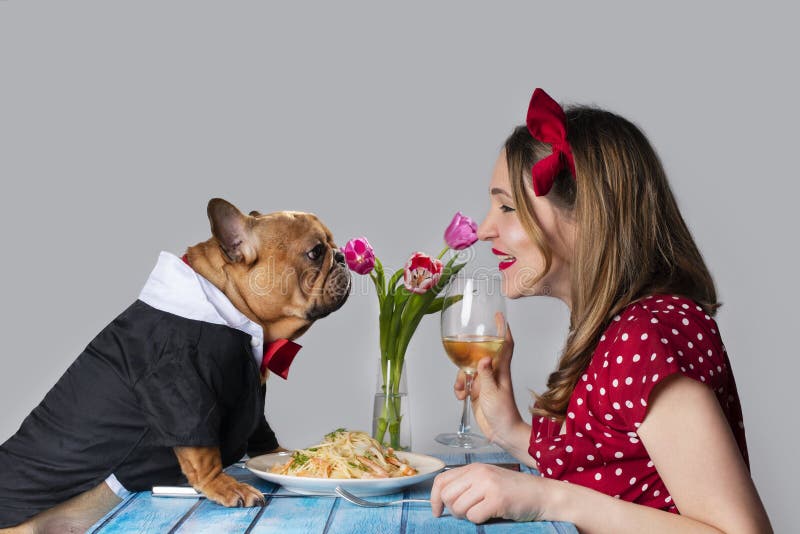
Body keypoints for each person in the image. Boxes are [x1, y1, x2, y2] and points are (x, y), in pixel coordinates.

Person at [430, 88, 772, 533]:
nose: (483, 229)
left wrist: (546, 497)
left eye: (509, 207)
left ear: (589, 215)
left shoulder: (647, 336)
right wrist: (507, 430)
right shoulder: (615, 331)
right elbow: (614, 476)